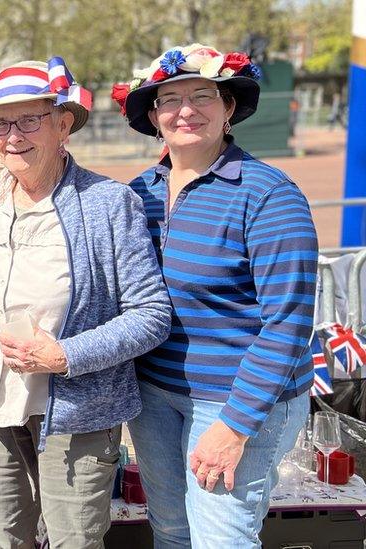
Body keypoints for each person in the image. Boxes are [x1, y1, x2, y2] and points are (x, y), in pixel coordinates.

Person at [0, 58, 172, 548]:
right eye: (2, 123)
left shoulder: (107, 202)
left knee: (74, 540)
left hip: (77, 410)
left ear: (63, 124)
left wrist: (67, 355)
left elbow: (151, 313)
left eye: (30, 120)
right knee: (5, 536)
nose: (13, 135)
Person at [113, 44, 317, 547]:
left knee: (220, 539)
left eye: (202, 95)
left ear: (228, 108)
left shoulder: (268, 194)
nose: (185, 109)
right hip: (156, 396)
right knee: (172, 530)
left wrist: (235, 425)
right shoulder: (140, 192)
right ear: (154, 115)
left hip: (233, 399)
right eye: (169, 99)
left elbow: (288, 322)